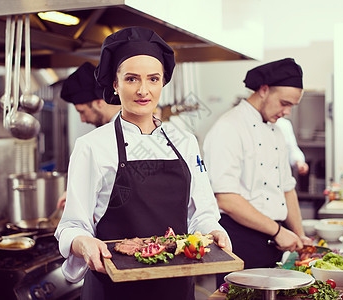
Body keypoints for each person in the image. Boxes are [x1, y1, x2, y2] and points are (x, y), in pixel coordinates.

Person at [55, 26, 230, 300]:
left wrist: (213, 231)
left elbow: (202, 212)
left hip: (175, 287)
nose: (143, 90)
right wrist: (84, 243)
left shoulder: (184, 141)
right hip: (113, 289)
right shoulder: (92, 146)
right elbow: (71, 226)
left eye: (153, 79)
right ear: (115, 84)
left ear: (162, 83)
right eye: (132, 79)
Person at [203, 58, 312, 287]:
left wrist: (300, 236)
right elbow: (226, 198)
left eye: (292, 106)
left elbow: (287, 189)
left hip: (273, 241)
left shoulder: (277, 132)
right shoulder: (228, 128)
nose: (287, 112)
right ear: (264, 90)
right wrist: (277, 231)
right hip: (239, 241)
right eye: (284, 103)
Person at [57, 62, 121, 209]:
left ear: (99, 102)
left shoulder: (124, 130)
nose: (83, 120)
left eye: (82, 111)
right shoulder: (107, 134)